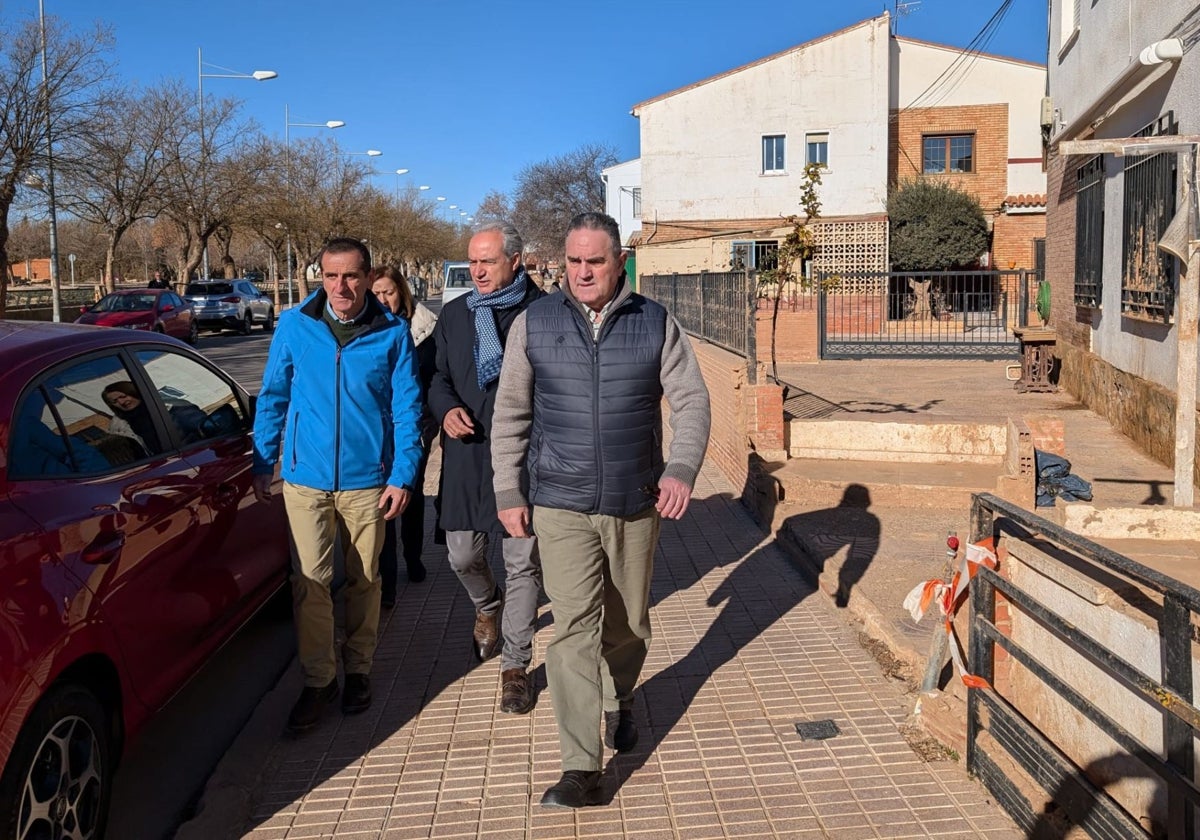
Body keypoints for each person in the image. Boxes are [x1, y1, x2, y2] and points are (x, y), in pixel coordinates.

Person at [491, 212, 711, 809]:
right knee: (573, 633)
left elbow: (691, 400)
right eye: (574, 261)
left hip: (636, 500)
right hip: (559, 503)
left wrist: (681, 468)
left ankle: (620, 698)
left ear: (619, 263)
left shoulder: (654, 322)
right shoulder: (535, 324)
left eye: (595, 261)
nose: (583, 273)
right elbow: (510, 415)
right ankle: (581, 768)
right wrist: (509, 493)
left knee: (629, 626)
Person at [252, 237, 423, 734]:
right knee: (310, 584)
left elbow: (407, 409)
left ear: (369, 278)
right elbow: (273, 396)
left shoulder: (392, 333)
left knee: (366, 580)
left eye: (350, 276)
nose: (340, 287)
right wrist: (264, 461)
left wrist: (402, 474)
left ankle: (359, 670)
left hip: (367, 482)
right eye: (330, 276)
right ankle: (319, 679)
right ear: (318, 277)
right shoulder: (295, 325)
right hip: (305, 479)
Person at [427, 221, 543, 715]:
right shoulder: (454, 315)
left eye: (487, 261)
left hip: (526, 455)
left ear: (515, 260)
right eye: (472, 261)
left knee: (523, 563)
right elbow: (436, 375)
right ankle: (486, 606)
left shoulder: (545, 313)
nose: (476, 270)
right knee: (461, 555)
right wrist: (445, 407)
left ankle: (515, 665)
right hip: (469, 453)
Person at [369, 265, 438, 604]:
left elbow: (437, 378)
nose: (383, 299)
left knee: (409, 493)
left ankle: (412, 556)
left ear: (403, 292)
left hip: (415, 426)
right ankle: (387, 582)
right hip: (378, 431)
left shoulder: (425, 329)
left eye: (389, 292)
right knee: (383, 499)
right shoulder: (367, 330)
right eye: (376, 293)